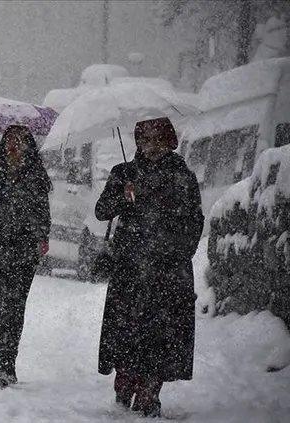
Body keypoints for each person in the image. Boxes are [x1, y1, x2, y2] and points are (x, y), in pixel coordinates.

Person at [94, 117, 204, 417]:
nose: (152, 146)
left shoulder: (183, 177)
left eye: (159, 139)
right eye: (146, 140)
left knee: (161, 334)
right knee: (128, 331)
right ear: (138, 142)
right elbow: (101, 211)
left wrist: (178, 253)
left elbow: (195, 222)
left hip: (168, 270)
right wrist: (122, 196)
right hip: (130, 269)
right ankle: (126, 379)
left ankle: (150, 391)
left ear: (170, 141)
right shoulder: (124, 173)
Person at [0, 125, 52, 389]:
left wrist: (41, 238)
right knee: (2, 304)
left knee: (16, 306)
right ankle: (0, 366)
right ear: (3, 144)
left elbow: (42, 213)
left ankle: (9, 363)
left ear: (29, 146)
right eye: (10, 140)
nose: (14, 146)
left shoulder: (36, 176)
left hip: (24, 251)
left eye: (20, 141)